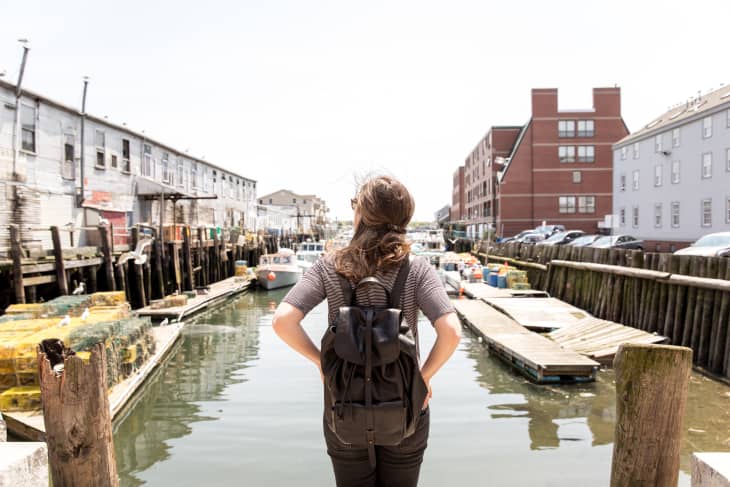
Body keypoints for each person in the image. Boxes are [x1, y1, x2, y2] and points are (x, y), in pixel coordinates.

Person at [272, 175, 462, 487]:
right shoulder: (417, 268)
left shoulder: (328, 265)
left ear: (361, 214)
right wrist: (423, 377)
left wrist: (321, 363)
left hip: (343, 404)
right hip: (406, 408)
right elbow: (451, 332)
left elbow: (283, 321)